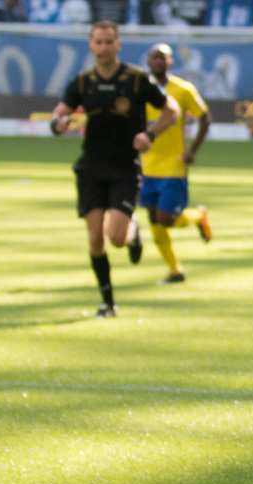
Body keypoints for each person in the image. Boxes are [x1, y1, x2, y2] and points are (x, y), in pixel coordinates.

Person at [49, 20, 179, 317]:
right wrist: (59, 123)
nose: (104, 48)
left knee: (116, 238)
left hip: (124, 168)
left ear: (118, 45)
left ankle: (133, 232)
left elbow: (171, 110)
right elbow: (59, 115)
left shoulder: (136, 80)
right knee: (96, 238)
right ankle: (108, 302)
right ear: (91, 45)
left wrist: (149, 134)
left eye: (109, 42)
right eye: (98, 42)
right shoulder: (82, 82)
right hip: (91, 168)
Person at [140, 43, 213, 285]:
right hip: (146, 165)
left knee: (166, 218)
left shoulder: (183, 89)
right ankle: (175, 271)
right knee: (153, 219)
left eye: (163, 58)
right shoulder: (140, 90)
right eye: (154, 57)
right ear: (148, 62)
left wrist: (192, 150)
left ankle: (198, 216)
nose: (158, 61)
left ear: (171, 62)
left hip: (173, 164)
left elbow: (205, 117)